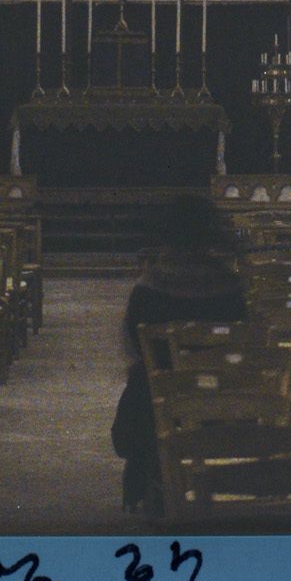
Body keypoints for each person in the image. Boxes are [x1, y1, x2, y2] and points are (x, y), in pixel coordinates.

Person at [111, 193, 246, 516]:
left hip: (159, 404)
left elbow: (133, 346)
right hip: (223, 398)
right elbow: (243, 343)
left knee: (143, 384)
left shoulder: (148, 289)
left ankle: (155, 478)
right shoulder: (231, 286)